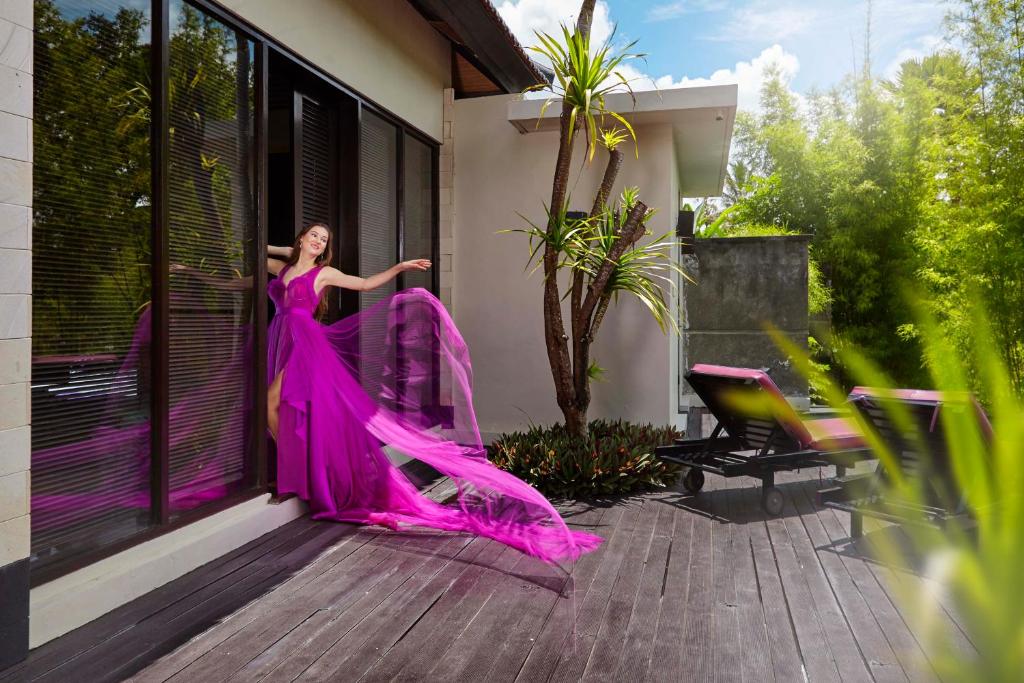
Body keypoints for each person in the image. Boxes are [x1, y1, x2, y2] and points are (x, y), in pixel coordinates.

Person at [265, 222, 603, 565]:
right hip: (282, 339)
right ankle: (295, 472)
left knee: (274, 405)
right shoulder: (285, 269)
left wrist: (399, 268)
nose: (319, 242)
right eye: (314, 236)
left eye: (324, 240)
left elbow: (365, 284)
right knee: (284, 409)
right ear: (302, 238)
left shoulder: (324, 274)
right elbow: (259, 253)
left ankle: (292, 473)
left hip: (306, 346)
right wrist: (286, 251)